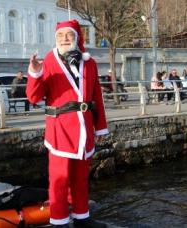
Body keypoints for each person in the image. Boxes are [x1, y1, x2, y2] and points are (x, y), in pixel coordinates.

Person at [26, 19, 109, 228]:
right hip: (60, 130)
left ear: (77, 37)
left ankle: (82, 218)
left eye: (69, 35)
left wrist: (100, 127)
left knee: (81, 178)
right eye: (60, 35)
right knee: (59, 181)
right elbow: (34, 98)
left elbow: (96, 96)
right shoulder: (49, 61)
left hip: (84, 130)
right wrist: (35, 73)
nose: (64, 39)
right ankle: (59, 222)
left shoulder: (89, 63)